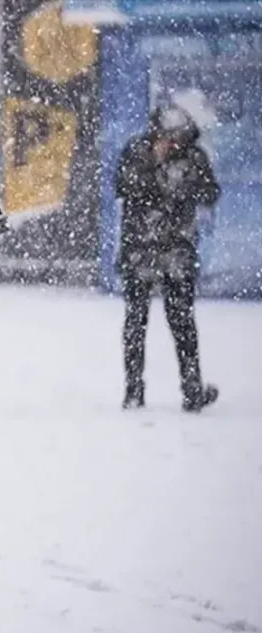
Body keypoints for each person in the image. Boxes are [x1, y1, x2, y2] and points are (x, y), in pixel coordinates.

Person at [115, 105, 221, 412]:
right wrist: (154, 164)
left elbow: (210, 192)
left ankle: (191, 391)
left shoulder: (194, 156)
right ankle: (133, 390)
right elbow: (124, 187)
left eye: (177, 138)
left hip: (177, 252)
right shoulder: (137, 151)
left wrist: (182, 182)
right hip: (140, 251)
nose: (172, 143)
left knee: (182, 322)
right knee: (136, 322)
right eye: (166, 137)